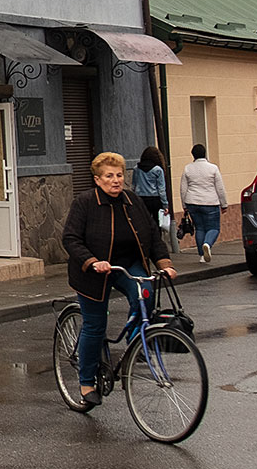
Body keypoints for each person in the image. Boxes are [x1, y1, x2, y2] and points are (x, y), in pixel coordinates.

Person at [64, 151, 176, 410]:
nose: (115, 181)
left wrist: (165, 264)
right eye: (109, 176)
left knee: (145, 296)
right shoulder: (85, 202)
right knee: (95, 324)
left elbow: (151, 236)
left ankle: (135, 346)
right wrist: (91, 261)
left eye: (119, 175)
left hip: (127, 264)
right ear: (97, 179)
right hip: (93, 270)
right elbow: (70, 238)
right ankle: (87, 383)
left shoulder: (132, 201)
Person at [180, 143, 226, 262]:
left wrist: (184, 205)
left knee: (199, 228)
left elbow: (183, 188)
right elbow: (220, 188)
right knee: (214, 228)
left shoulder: (187, 168)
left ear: (193, 155)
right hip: (210, 202)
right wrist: (224, 204)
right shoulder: (213, 168)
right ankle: (207, 244)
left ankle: (202, 255)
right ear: (205, 154)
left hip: (192, 202)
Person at [131, 146, 170, 234]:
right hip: (155, 199)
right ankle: (157, 240)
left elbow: (133, 186)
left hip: (141, 198)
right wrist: (165, 205)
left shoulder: (136, 168)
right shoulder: (158, 170)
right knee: (157, 223)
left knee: (143, 222)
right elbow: (161, 189)